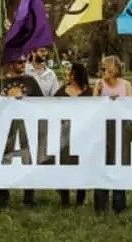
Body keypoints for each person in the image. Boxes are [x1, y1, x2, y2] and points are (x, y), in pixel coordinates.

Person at [0, 55, 44, 210]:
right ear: (11, 64)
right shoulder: (0, 83)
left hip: (26, 128)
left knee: (28, 163)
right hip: (5, 129)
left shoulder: (30, 81)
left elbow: (42, 103)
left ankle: (29, 198)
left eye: (24, 61)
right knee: (4, 163)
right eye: (20, 62)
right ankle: (3, 196)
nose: (23, 64)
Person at [93, 55, 132, 213]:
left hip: (121, 131)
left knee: (118, 167)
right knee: (101, 167)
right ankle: (100, 204)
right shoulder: (99, 84)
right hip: (102, 132)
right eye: (103, 67)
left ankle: (119, 204)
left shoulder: (126, 85)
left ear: (115, 69)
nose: (105, 71)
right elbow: (93, 106)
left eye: (107, 67)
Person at [55, 62, 95, 208]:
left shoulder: (89, 92)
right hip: (64, 134)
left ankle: (80, 198)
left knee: (82, 166)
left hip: (83, 134)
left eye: (71, 73)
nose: (69, 75)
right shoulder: (61, 92)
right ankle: (64, 198)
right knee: (64, 166)